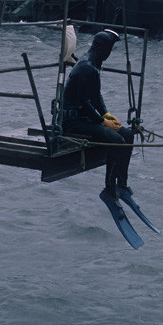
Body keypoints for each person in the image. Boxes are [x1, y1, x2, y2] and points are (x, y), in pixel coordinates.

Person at [60, 29, 135, 198]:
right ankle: (109, 189)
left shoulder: (94, 64)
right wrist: (102, 121)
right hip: (73, 121)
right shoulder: (87, 67)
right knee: (117, 140)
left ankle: (122, 184)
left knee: (128, 135)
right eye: (109, 49)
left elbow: (96, 96)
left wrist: (106, 113)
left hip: (86, 117)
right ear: (103, 49)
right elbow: (84, 103)